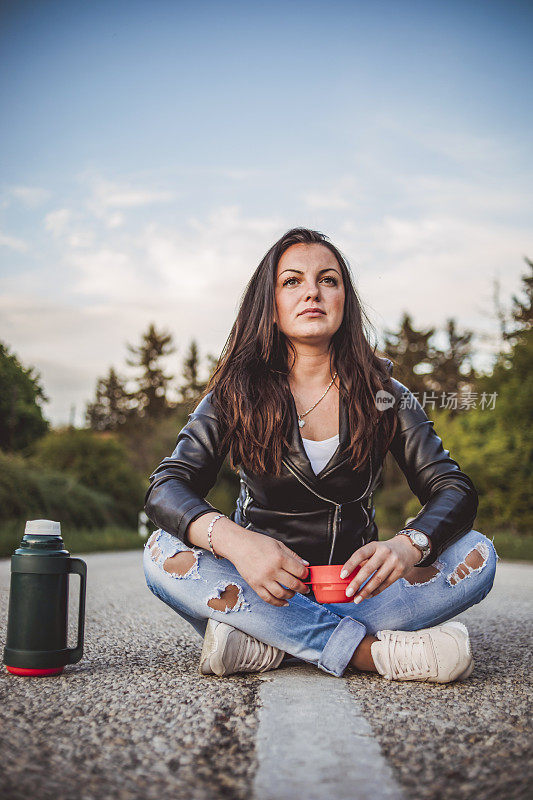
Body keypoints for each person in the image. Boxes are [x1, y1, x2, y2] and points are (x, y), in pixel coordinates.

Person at [143, 226, 497, 683]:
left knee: (478, 553)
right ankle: (369, 654)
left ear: (344, 299)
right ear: (269, 304)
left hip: (357, 590)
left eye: (328, 280)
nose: (312, 291)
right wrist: (237, 543)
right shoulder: (234, 393)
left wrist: (408, 546)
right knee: (160, 552)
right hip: (257, 588)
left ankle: (265, 643)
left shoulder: (386, 395)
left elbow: (452, 488)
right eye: (292, 281)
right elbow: (167, 486)